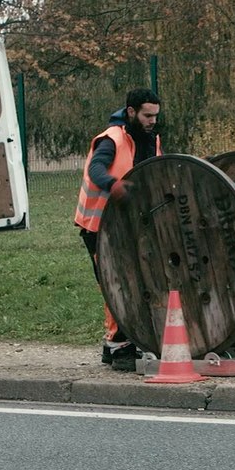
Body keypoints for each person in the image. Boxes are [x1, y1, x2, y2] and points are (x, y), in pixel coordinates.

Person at [74, 88, 163, 370]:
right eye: (147, 115)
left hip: (128, 224)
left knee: (132, 281)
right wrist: (114, 185)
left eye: (155, 116)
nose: (152, 121)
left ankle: (116, 344)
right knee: (116, 283)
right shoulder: (111, 140)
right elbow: (96, 170)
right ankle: (118, 345)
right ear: (131, 112)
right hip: (98, 226)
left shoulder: (151, 139)